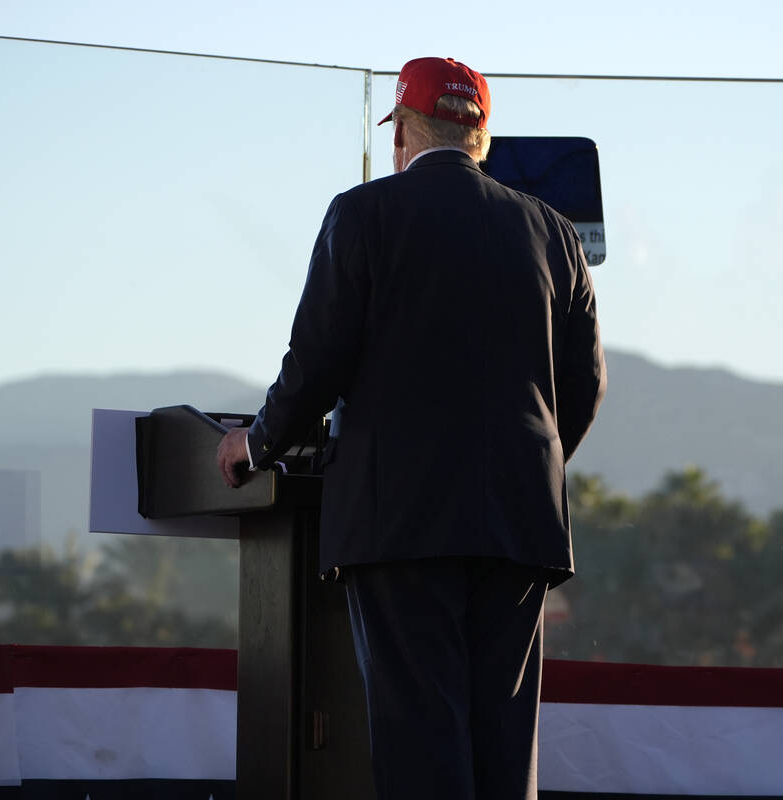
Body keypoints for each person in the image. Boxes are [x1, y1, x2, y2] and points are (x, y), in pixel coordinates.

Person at [217, 56, 606, 800]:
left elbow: (318, 362)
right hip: (522, 528)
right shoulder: (556, 236)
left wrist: (255, 443)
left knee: (422, 743)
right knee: (503, 751)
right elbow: (584, 386)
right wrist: (528, 469)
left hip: (401, 524)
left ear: (402, 134)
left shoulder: (364, 214)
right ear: (480, 138)